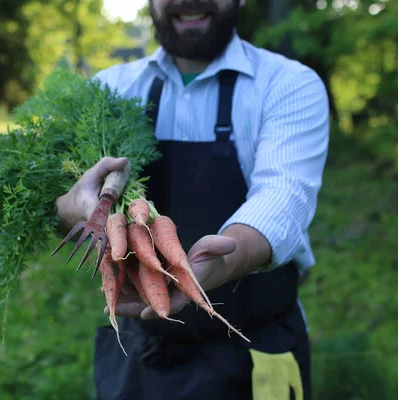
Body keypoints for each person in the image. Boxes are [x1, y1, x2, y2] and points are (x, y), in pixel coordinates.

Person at [55, 0, 329, 399]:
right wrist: (76, 210)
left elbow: (283, 197)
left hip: (255, 357)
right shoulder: (110, 90)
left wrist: (215, 265)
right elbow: (65, 201)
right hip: (138, 357)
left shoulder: (287, 83)